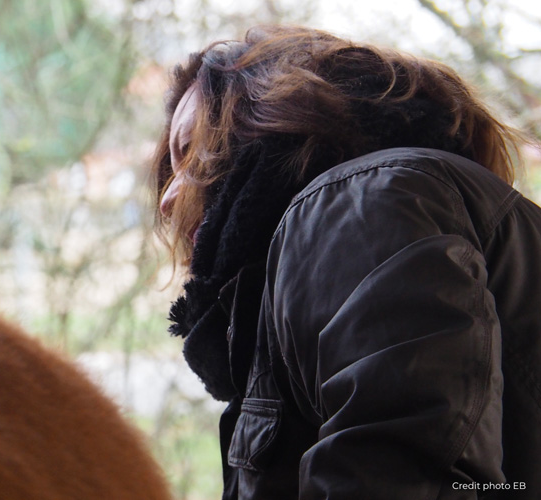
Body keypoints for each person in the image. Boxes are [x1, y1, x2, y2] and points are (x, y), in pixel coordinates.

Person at [154, 25, 541, 499]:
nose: (168, 199)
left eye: (190, 154)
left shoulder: (363, 201)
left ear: (273, 119)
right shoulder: (375, 218)